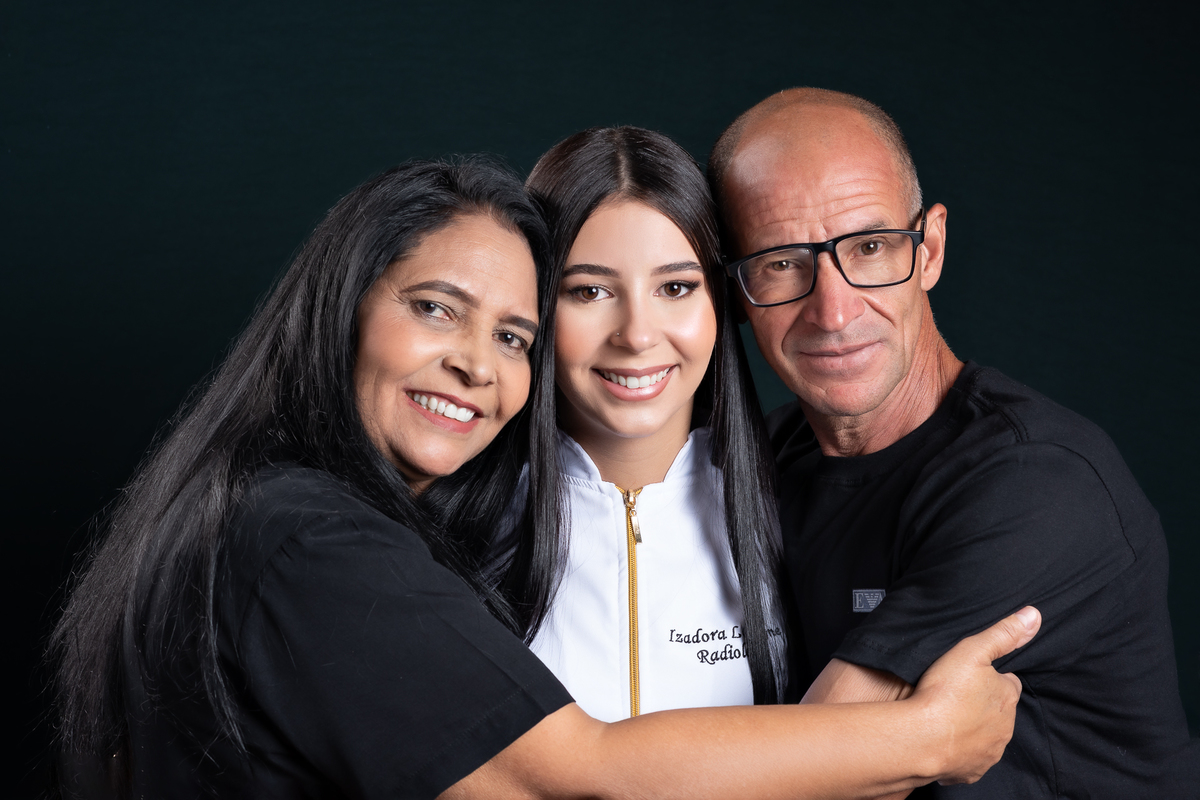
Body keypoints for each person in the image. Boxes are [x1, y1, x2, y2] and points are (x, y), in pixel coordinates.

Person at [50, 157, 1038, 800]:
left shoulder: (276, 510)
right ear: (344, 304)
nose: (476, 364)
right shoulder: (306, 537)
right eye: (436, 308)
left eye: (511, 335)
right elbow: (577, 772)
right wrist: (927, 738)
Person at [709, 87, 1195, 797]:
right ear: (735, 290)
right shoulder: (752, 464)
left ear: (930, 249)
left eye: (870, 248)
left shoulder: (1037, 481)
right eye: (782, 262)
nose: (833, 310)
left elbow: (815, 773)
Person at [512, 126, 785, 720]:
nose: (636, 335)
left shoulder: (794, 508)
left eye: (676, 287)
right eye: (589, 291)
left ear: (721, 302)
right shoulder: (458, 526)